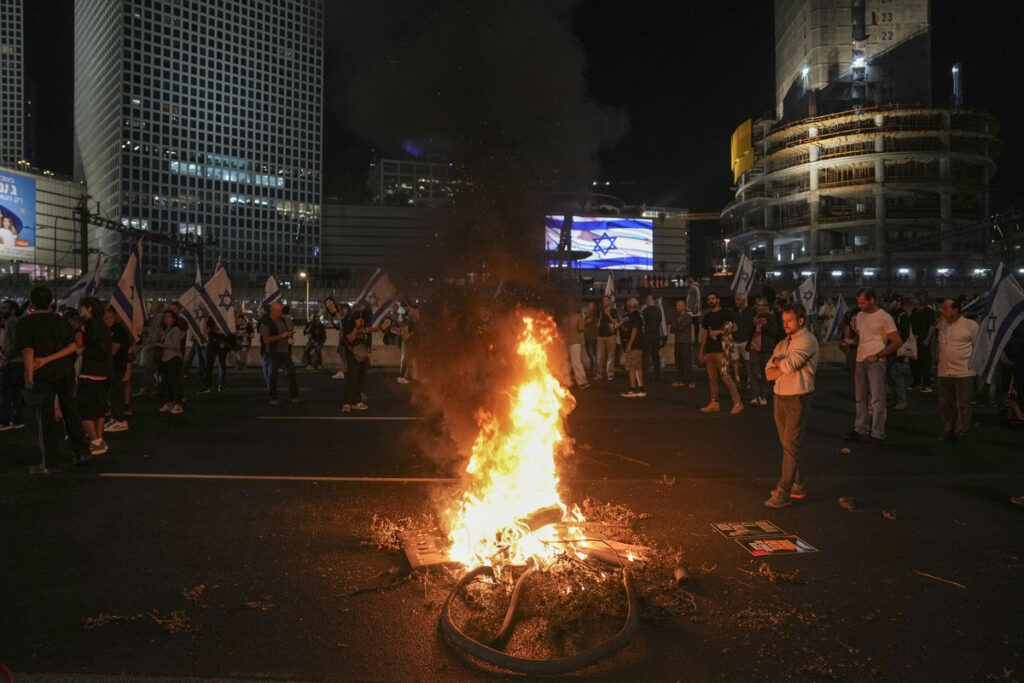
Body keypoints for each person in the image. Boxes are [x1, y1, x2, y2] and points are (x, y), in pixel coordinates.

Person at [16, 286, 91, 473]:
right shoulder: (61, 322)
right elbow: (72, 346)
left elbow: (28, 351)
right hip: (65, 371)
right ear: (51, 303)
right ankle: (81, 451)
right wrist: (51, 359)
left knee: (45, 417)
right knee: (70, 411)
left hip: (44, 375)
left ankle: (49, 462)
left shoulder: (25, 323)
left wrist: (30, 376)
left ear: (32, 302)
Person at [763, 303, 819, 508]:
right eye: (784, 321)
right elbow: (768, 372)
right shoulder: (784, 343)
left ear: (800, 321)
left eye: (789, 321)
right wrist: (781, 364)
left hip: (798, 398)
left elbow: (787, 365)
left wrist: (780, 363)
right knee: (787, 446)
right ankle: (797, 485)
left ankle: (783, 491)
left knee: (790, 447)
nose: (785, 324)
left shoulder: (807, 340)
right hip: (780, 396)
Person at [844, 287, 901, 446]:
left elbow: (896, 342)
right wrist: (851, 342)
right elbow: (862, 337)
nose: (860, 305)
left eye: (862, 302)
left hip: (876, 361)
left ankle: (877, 433)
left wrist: (879, 355)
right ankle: (860, 429)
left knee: (877, 398)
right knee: (860, 396)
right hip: (861, 359)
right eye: (858, 302)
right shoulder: (860, 316)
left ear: (872, 300)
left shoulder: (884, 317)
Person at [935, 298, 979, 442]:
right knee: (945, 403)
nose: (942, 310)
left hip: (963, 372)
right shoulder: (942, 324)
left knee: (963, 404)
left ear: (955, 310)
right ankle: (949, 429)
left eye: (945, 308)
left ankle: (961, 432)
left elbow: (977, 346)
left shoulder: (970, 325)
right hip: (944, 371)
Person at [77, 297, 112, 456]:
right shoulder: (103, 325)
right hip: (102, 373)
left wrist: (82, 350)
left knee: (85, 411)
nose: (80, 311)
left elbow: (98, 349)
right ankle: (99, 440)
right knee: (98, 410)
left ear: (89, 308)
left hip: (90, 372)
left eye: (81, 308)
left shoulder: (91, 325)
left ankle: (95, 441)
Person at [699, 292, 743, 414]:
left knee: (725, 376)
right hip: (709, 351)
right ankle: (714, 402)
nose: (711, 301)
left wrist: (719, 331)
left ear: (718, 300)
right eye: (709, 299)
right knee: (712, 379)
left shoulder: (725, 313)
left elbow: (734, 327)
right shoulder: (707, 316)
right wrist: (701, 351)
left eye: (713, 299)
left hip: (722, 350)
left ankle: (738, 402)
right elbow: (705, 334)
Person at [261, 301, 302, 406]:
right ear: (272, 311)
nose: (280, 313)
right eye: (278, 311)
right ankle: (273, 397)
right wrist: (281, 336)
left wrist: (290, 335)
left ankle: (294, 395)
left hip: (285, 351)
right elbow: (266, 340)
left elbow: (290, 328)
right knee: (272, 376)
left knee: (291, 373)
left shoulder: (283, 320)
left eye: (281, 311)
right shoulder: (266, 323)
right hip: (273, 352)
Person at [102, 305, 133, 433]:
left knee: (116, 393)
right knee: (114, 393)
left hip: (117, 365)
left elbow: (114, 349)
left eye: (105, 319)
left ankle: (120, 420)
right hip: (114, 365)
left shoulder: (118, 330)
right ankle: (116, 418)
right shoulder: (115, 329)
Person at [0, 298, 26, 431]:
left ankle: (6, 420)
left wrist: (5, 355)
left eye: (5, 308)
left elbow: (15, 342)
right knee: (14, 392)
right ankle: (15, 419)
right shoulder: (13, 322)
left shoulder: (12, 322)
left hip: (13, 362)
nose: (2, 310)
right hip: (16, 361)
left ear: (13, 310)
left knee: (7, 392)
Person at [747, 296, 778, 406]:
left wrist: (765, 325)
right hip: (754, 349)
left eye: (762, 305)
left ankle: (763, 395)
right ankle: (755, 396)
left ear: (766, 307)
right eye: (758, 305)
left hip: (766, 350)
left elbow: (775, 333)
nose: (760, 308)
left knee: (766, 374)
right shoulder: (752, 317)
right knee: (754, 374)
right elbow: (747, 331)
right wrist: (753, 325)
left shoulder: (771, 318)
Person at [155, 309, 185, 414]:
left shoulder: (175, 330)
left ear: (173, 319)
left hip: (173, 358)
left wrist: (162, 345)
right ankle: (169, 402)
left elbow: (176, 346)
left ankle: (178, 404)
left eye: (168, 317)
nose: (165, 319)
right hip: (165, 359)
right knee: (166, 382)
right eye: (165, 317)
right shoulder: (167, 330)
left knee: (174, 382)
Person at [341, 307, 371, 412]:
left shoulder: (363, 324)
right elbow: (350, 339)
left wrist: (369, 351)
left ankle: (355, 399)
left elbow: (366, 337)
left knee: (360, 378)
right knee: (353, 378)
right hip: (353, 354)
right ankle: (348, 402)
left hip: (362, 354)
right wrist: (357, 327)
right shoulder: (348, 324)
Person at [886, 295, 912, 411]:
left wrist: (894, 342)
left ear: (898, 302)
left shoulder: (902, 315)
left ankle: (901, 400)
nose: (889, 304)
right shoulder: (893, 315)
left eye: (891, 302)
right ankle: (893, 399)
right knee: (890, 376)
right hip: (890, 348)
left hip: (896, 349)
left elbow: (904, 334)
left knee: (896, 375)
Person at [909, 293, 936, 393]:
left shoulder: (928, 311)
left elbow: (931, 325)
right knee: (914, 361)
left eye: (914, 298)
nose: (912, 301)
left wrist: (927, 339)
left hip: (923, 339)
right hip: (915, 339)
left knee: (924, 362)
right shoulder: (914, 311)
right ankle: (916, 382)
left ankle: (926, 383)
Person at [619, 297, 645, 397]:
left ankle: (633, 388)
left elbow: (634, 329)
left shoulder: (633, 315)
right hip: (639, 344)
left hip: (634, 345)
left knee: (631, 367)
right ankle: (641, 388)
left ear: (629, 305)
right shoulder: (639, 314)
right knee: (638, 367)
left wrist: (629, 344)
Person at [559, 303, 589, 389]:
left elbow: (581, 328)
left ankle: (582, 381)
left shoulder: (578, 317)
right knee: (564, 362)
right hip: (565, 342)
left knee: (576, 362)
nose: (570, 308)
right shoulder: (565, 318)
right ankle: (566, 381)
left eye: (572, 306)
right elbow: (562, 328)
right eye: (569, 306)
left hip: (575, 342)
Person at [200, 317, 232, 393]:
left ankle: (220, 385)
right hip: (213, 343)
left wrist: (225, 341)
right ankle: (209, 385)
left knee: (221, 364)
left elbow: (231, 330)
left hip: (220, 343)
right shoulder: (212, 318)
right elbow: (206, 331)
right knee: (210, 365)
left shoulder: (225, 317)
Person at [669, 298, 695, 388]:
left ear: (684, 306)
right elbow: (671, 329)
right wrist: (676, 327)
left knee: (686, 361)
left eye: (679, 305)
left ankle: (690, 380)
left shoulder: (687, 316)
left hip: (685, 342)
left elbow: (681, 327)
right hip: (678, 341)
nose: (677, 307)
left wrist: (676, 327)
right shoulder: (677, 317)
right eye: (677, 305)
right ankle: (681, 380)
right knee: (678, 362)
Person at [731, 292, 754, 387]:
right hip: (735, 340)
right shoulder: (733, 312)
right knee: (735, 360)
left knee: (747, 361)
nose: (736, 301)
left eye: (738, 299)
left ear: (744, 300)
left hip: (746, 340)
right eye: (736, 299)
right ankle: (737, 379)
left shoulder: (750, 311)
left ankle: (749, 378)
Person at [640, 295, 664, 381]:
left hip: (648, 335)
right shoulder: (658, 311)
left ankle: (645, 375)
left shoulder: (645, 311)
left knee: (646, 356)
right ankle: (657, 375)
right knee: (655, 356)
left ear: (647, 301)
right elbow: (660, 323)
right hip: (656, 335)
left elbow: (642, 323)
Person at [596, 295, 619, 380]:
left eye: (605, 300)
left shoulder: (613, 311)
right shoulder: (600, 311)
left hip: (610, 336)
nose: (604, 302)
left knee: (610, 356)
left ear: (609, 302)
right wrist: (597, 323)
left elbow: (616, 322)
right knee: (599, 356)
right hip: (600, 336)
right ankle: (599, 374)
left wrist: (609, 314)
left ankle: (610, 374)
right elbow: (597, 320)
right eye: (603, 300)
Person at [397, 304, 419, 384]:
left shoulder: (414, 323)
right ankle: (402, 376)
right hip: (410, 344)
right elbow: (405, 335)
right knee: (406, 360)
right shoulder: (409, 323)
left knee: (412, 361)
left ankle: (413, 376)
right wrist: (411, 334)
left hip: (414, 344)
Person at [332, 303, 352, 380]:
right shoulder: (343, 318)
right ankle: (343, 370)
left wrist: (340, 318)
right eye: (343, 308)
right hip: (342, 337)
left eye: (345, 308)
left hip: (345, 338)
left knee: (343, 354)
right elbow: (338, 328)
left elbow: (346, 326)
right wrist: (334, 323)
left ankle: (342, 371)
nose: (343, 310)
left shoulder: (348, 318)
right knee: (342, 354)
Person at [582, 301, 599, 377]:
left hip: (592, 337)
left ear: (593, 307)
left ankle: (595, 368)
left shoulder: (592, 314)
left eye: (590, 305)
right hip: (587, 336)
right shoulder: (588, 314)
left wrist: (584, 320)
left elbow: (586, 322)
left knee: (592, 353)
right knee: (589, 353)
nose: (588, 306)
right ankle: (592, 367)